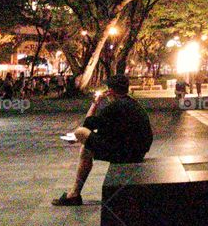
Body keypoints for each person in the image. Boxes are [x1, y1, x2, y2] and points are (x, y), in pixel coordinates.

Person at [52, 74, 153, 206]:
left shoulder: (114, 107)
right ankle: (74, 193)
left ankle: (75, 194)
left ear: (110, 91)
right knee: (86, 147)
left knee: (80, 132)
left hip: (126, 153)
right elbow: (109, 129)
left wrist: (95, 103)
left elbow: (87, 125)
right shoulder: (133, 104)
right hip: (137, 151)